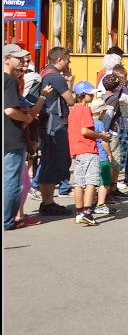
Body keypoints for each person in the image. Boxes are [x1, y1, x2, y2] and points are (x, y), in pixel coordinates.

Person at [4, 44, 49, 231]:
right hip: (11, 136)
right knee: (12, 181)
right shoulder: (10, 81)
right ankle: (9, 219)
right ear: (6, 59)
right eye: (18, 58)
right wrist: (27, 118)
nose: (22, 61)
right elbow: (9, 110)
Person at [36, 47, 76, 218]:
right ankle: (48, 202)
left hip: (46, 124)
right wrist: (70, 82)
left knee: (47, 162)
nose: (69, 62)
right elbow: (71, 100)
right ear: (60, 60)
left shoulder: (45, 73)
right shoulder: (56, 77)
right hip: (55, 125)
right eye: (67, 59)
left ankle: (46, 201)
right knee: (54, 163)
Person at [66, 80, 105, 226]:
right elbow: (85, 130)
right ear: (83, 95)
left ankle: (79, 212)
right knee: (91, 181)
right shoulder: (85, 110)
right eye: (90, 94)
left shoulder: (73, 111)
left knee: (79, 182)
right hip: (88, 148)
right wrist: (101, 135)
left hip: (76, 150)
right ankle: (88, 212)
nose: (92, 96)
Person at [90, 97, 114, 216]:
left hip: (92, 155)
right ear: (100, 112)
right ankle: (100, 204)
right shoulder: (100, 124)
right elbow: (104, 142)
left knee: (92, 180)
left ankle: (91, 202)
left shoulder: (88, 123)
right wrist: (109, 154)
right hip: (102, 156)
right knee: (104, 180)